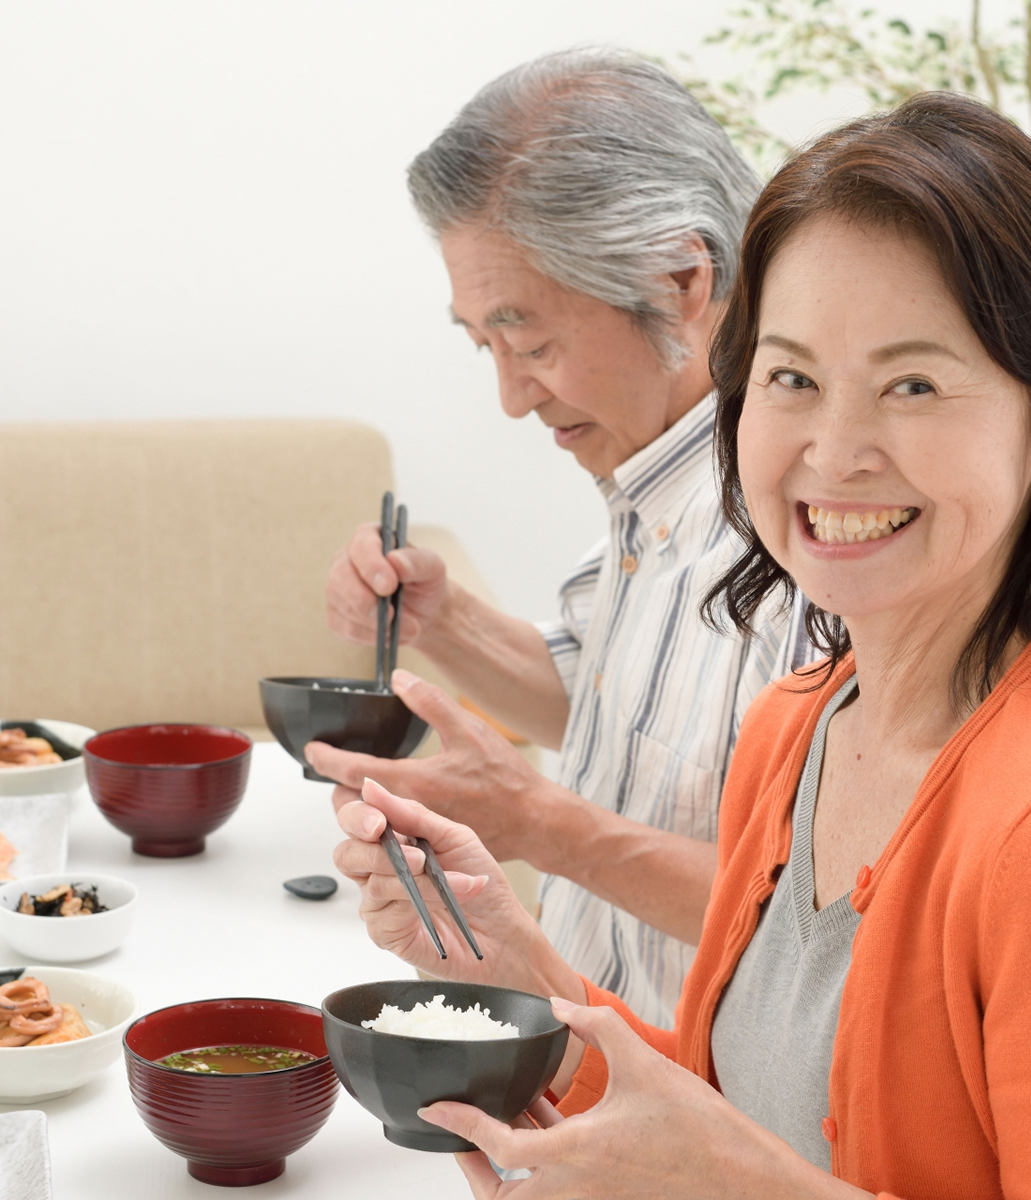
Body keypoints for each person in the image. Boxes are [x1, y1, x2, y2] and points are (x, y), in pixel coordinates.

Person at [332, 91, 1031, 1199]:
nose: (836, 449)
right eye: (792, 379)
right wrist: (509, 959)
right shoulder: (801, 727)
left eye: (912, 384)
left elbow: (739, 1173)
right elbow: (729, 1122)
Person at [307, 48, 812, 1025]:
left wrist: (547, 829)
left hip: (694, 1119)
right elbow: (603, 708)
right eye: (483, 344)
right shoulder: (657, 484)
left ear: (678, 279)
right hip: (570, 1048)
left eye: (530, 342)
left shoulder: (810, 533)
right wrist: (444, 622)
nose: (509, 397)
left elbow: (816, 924)